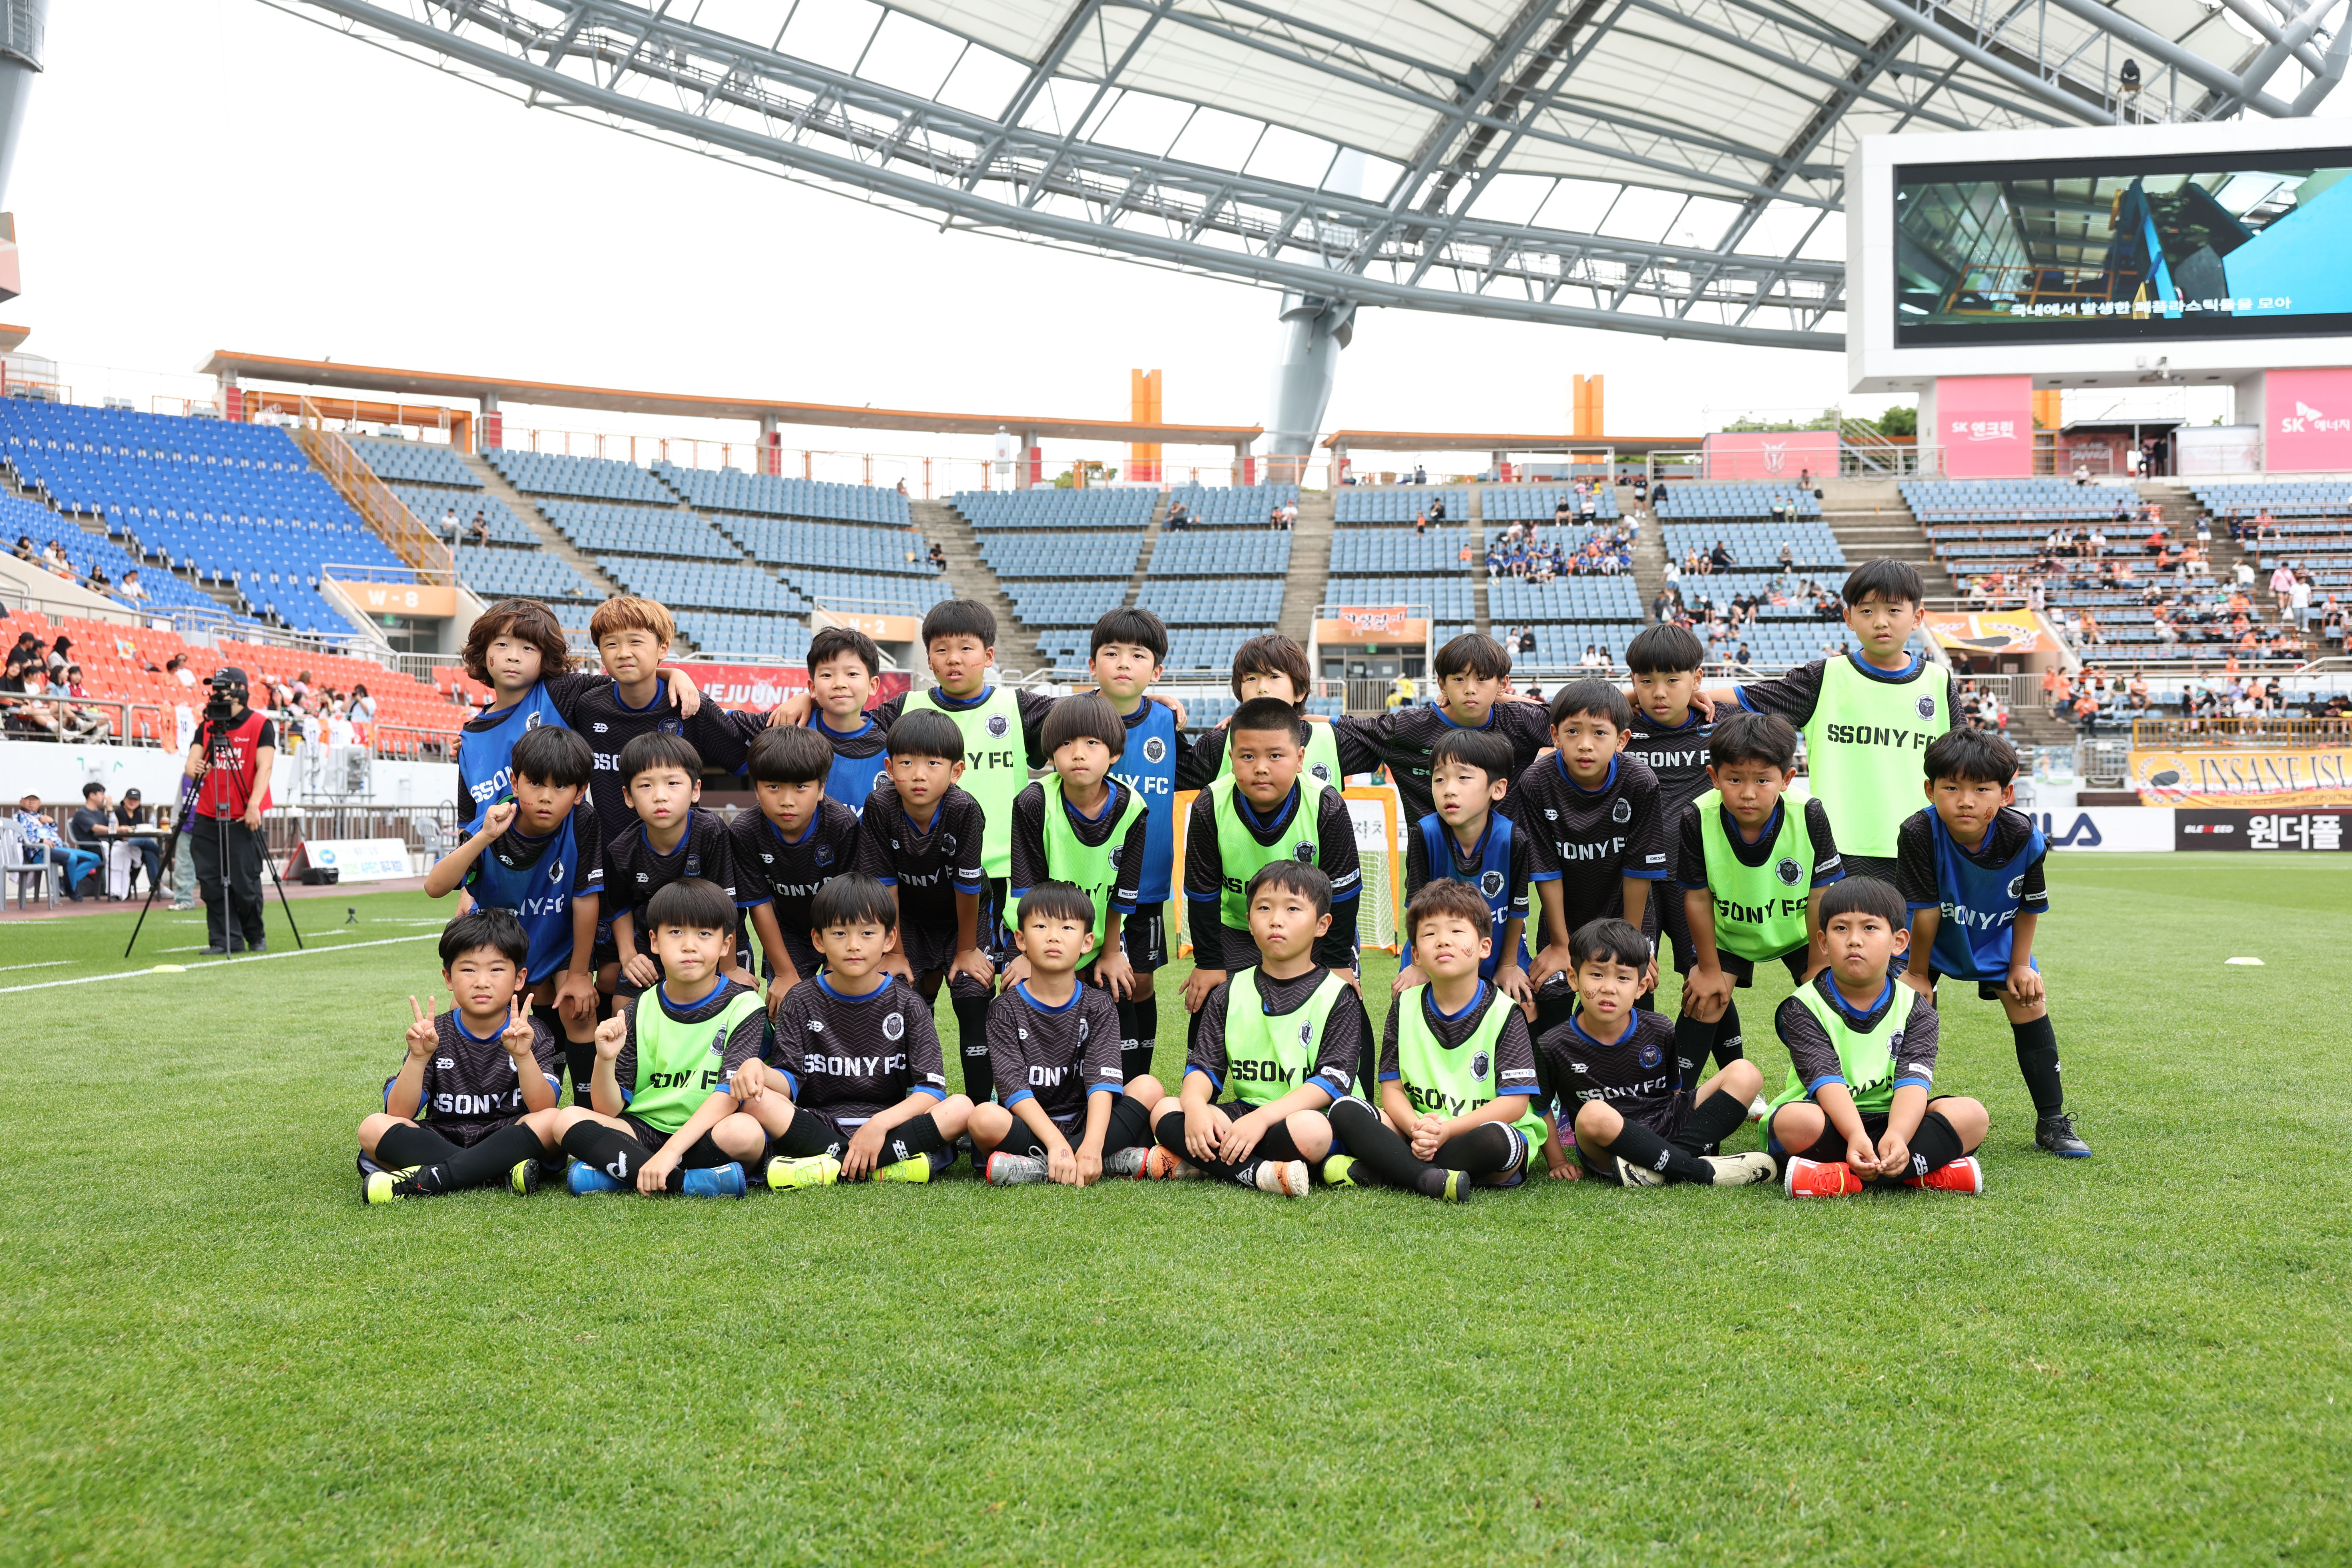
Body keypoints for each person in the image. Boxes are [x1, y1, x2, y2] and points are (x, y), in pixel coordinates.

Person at [1703, 559, 1946, 904]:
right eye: (1867, 610)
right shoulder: (1824, 677)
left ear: (1917, 617)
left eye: (1894, 610)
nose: (1881, 621)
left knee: (1911, 938)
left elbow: (1959, 764)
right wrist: (1681, 694)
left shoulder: (1939, 683)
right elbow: (1750, 697)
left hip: (1918, 845)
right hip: (1837, 848)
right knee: (1848, 936)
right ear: (1849, 618)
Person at [1896, 727, 2090, 1158]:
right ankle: (1891, 1115)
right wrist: (1918, 974)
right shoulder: (1917, 831)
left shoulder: (2023, 835)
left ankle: (2051, 1121)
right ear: (1929, 790)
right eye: (1951, 788)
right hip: (1930, 939)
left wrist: (2020, 965)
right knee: (1905, 1008)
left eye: (1981, 789)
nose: (1965, 800)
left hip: (1994, 936)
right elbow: (1925, 911)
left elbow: (2028, 906)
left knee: (2028, 1000)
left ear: (2006, 794)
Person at [739, 874, 976, 1188]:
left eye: (867, 933)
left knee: (961, 1108)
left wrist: (879, 1124)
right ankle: (883, 1166)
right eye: (840, 933)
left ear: (889, 939)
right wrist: (758, 1069)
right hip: (819, 1124)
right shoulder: (800, 1000)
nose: (853, 945)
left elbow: (931, 1091)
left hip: (888, 1126)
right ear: (819, 940)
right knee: (755, 1101)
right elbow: (788, 1081)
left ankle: (827, 1167)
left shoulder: (909, 1004)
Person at [1148, 862, 1366, 1197]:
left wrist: (1262, 1119)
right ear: (1249, 922)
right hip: (1247, 1112)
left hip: (1311, 1116)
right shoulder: (1229, 992)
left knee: (1312, 1131)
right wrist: (1194, 1107)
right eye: (1264, 908)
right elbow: (1203, 1069)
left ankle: (1210, 1164)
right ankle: (1261, 1172)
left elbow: (1330, 1084)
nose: (1276, 920)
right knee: (1167, 1110)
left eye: (1293, 909)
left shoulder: (1338, 995)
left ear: (1322, 925)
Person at [1322, 881, 1545, 1198]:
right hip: (1417, 1131)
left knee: (1499, 1140)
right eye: (1429, 934)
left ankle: (1391, 1170)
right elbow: (1392, 1091)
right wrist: (1417, 1128)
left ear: (1484, 947)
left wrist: (1447, 1130)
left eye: (1456, 931)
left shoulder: (1505, 1012)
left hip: (1474, 1134)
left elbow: (1515, 1103)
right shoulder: (1405, 1006)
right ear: (1415, 954)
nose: (1443, 940)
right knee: (1345, 1109)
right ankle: (1428, 1177)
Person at [1768, 877, 1989, 1196]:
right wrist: (1856, 1134)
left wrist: (1898, 1134)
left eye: (1870, 928)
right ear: (1824, 942)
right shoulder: (1802, 1006)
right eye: (1841, 928)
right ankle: (1918, 1171)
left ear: (1898, 941)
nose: (1854, 940)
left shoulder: (1916, 1007)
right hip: (1828, 1117)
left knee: (1972, 1115)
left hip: (1895, 1118)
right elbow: (1826, 1082)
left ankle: (1841, 1177)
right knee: (1794, 1121)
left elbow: (1913, 1083)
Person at [550, 878, 770, 1197]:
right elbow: (608, 1109)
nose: (689, 945)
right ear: (654, 941)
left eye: (704, 934)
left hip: (708, 1130)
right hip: (643, 1129)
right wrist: (605, 1059)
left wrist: (670, 1152)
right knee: (566, 1119)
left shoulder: (745, 1005)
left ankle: (624, 1173)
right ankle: (688, 1183)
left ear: (726, 945)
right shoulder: (638, 1009)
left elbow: (729, 1096)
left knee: (746, 1133)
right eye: (676, 932)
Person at [423, 724, 605, 1099]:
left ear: (580, 792)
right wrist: (485, 836)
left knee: (578, 1007)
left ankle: (587, 1108)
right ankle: (479, 1102)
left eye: (561, 786)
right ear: (515, 782)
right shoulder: (494, 821)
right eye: (535, 783)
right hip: (501, 948)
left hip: (558, 945)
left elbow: (586, 898)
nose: (546, 797)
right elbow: (435, 887)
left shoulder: (583, 821)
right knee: (467, 1007)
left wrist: (578, 974)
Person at [1674, 713, 1843, 1104]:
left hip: (1799, 933)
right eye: (1734, 779)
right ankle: (1673, 1099)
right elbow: (1697, 898)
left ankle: (1844, 1092)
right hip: (1730, 935)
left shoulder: (1809, 812)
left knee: (1832, 999)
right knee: (1704, 999)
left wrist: (1819, 966)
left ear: (1786, 778)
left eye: (1762, 780)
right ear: (1714, 777)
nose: (1748, 793)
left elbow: (1820, 895)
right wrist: (1708, 968)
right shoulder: (1697, 816)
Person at [1534, 917, 1774, 1187]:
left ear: (1641, 986)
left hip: (1668, 1127)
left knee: (1746, 1073)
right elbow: (1541, 1108)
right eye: (1597, 974)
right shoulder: (1553, 1043)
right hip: (1611, 1147)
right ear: (1574, 978)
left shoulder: (1660, 1028)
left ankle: (1666, 1165)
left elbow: (1674, 1094)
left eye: (1623, 977)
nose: (1609, 988)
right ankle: (1700, 1171)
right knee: (1592, 1114)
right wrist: (1558, 1161)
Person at [1180, 697, 1363, 1038]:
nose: (1261, 767)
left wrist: (1338, 962)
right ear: (1231, 759)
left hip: (1313, 933)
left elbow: (1344, 894)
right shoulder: (1210, 804)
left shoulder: (1326, 803)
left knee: (1341, 1005)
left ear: (1300, 759)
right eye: (1248, 756)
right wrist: (1208, 962)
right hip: (1238, 928)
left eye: (1275, 756)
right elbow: (1203, 895)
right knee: (1210, 1002)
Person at [357, 909, 566, 1202]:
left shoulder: (534, 1031)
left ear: (519, 978)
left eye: (496, 969)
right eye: (468, 970)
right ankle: (496, 1175)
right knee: (373, 1127)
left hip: (508, 1138)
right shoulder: (434, 1033)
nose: (482, 982)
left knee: (553, 1121)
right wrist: (418, 1058)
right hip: (443, 1138)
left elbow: (544, 1107)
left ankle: (434, 1178)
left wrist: (523, 1056)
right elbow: (399, 1113)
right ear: (449, 978)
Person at [971, 882, 1168, 1185]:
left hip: (1086, 1121)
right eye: (1041, 926)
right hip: (1032, 1124)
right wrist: (1056, 1144)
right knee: (983, 1118)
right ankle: (1107, 1159)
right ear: (1021, 940)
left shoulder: (1099, 1004)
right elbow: (1013, 1090)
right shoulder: (1004, 1008)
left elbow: (1102, 1082)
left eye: (1067, 927)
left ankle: (1040, 1167)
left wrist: (1092, 1145)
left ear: (1087, 942)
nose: (1054, 936)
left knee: (1148, 1086)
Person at [1502, 679, 1667, 1040]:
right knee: (1553, 1002)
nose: (1586, 744)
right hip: (1564, 918)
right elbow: (1546, 870)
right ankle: (1552, 1077)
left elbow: (1638, 871)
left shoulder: (1640, 781)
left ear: (1622, 740)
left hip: (1627, 914)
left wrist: (1632, 943)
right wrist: (1561, 944)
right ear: (1555, 735)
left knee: (1632, 1000)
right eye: (1573, 731)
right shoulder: (1536, 781)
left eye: (1600, 732)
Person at [854, 709, 999, 1101]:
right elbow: (885, 888)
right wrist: (894, 952)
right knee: (905, 993)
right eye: (906, 763)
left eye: (933, 763)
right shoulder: (880, 806)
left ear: (955, 771)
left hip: (963, 916)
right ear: (889, 768)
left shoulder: (964, 809)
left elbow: (967, 885)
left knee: (972, 994)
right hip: (909, 918)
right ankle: (914, 1105)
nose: (918, 774)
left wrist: (967, 950)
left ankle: (979, 1111)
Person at [1088, 608, 1192, 1079]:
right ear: (1092, 664)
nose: (1123, 663)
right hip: (1085, 884)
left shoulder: (1167, 723)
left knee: (1141, 982)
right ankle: (1091, 1080)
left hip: (1147, 885)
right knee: (1089, 979)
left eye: (1137, 655)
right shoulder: (1070, 716)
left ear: (1157, 670)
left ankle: (1136, 1084)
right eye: (1111, 653)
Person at [1001, 694, 1151, 1022]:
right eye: (1066, 743)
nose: (1078, 753)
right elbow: (1028, 889)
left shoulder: (1132, 806)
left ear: (1115, 753)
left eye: (1092, 743)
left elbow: (1123, 892)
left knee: (1117, 1003)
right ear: (1051, 754)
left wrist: (1111, 952)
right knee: (1025, 1005)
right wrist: (1028, 954)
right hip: (1035, 930)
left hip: (1098, 936)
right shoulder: (1033, 801)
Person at [1332, 632, 1555, 826]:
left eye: (1482, 679)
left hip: (1507, 858)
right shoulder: (1411, 726)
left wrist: (1498, 695)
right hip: (1431, 859)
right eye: (1458, 679)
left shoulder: (1520, 721)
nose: (1470, 689)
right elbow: (1342, 724)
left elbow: (1566, 715)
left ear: (1503, 684)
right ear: (1442, 684)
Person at [600, 733, 757, 1001]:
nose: (660, 796)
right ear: (628, 796)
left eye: (673, 783)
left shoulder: (711, 832)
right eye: (645, 785)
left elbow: (727, 902)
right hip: (656, 940)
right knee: (621, 1006)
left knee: (728, 1003)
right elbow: (619, 907)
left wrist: (729, 967)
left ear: (695, 790)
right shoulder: (622, 849)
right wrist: (629, 956)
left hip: (714, 937)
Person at [730, 725, 863, 1016]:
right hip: (787, 929)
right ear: (757, 788)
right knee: (785, 1006)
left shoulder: (842, 824)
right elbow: (759, 904)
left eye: (801, 787)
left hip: (838, 926)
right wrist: (784, 973)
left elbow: (850, 899)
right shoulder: (746, 831)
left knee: (842, 1001)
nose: (787, 800)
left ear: (821, 788)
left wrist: (834, 966)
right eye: (774, 787)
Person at [1398, 727, 1533, 1009]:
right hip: (1436, 951)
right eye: (1439, 779)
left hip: (1500, 951)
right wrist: (1418, 965)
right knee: (1409, 1003)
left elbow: (1517, 910)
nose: (1449, 789)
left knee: (1526, 1008)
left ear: (1497, 788)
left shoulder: (1512, 839)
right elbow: (1416, 909)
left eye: (1463, 778)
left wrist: (1509, 965)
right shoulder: (1425, 834)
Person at [182, 667, 276, 953]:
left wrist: (254, 805)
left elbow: (265, 768)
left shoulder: (261, 724)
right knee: (211, 881)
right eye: (216, 688)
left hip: (242, 815)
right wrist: (197, 768)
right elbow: (191, 766)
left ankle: (255, 935)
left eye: (223, 687)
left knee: (244, 882)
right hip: (208, 813)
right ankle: (224, 940)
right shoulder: (208, 725)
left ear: (240, 689)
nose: (218, 693)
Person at [1181, 632, 1343, 787]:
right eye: (1251, 678)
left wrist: (1306, 718)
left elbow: (1361, 728)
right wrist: (1165, 706)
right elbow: (1170, 771)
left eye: (1274, 677)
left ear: (1300, 692)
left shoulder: (1332, 738)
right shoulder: (1219, 742)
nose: (1262, 688)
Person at [797, 625, 892, 813]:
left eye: (852, 674)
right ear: (813, 687)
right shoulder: (794, 730)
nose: (839, 684)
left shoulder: (892, 748)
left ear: (873, 685)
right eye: (827, 675)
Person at [12, 793, 96, 900]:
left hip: (58, 849)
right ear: (21, 802)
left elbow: (55, 835)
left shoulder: (43, 818)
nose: (31, 802)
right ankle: (73, 892)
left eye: (35, 800)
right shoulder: (18, 817)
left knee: (95, 858)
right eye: (28, 799)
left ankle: (64, 882)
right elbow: (19, 836)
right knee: (71, 858)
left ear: (40, 803)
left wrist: (52, 823)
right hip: (39, 852)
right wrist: (41, 841)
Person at [112, 787, 163, 897]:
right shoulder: (119, 812)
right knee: (146, 840)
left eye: (135, 800)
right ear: (124, 800)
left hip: (138, 846)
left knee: (150, 855)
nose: (132, 802)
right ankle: (163, 854)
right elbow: (123, 835)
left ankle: (158, 887)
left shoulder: (139, 814)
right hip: (124, 844)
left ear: (139, 802)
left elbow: (140, 830)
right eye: (130, 799)